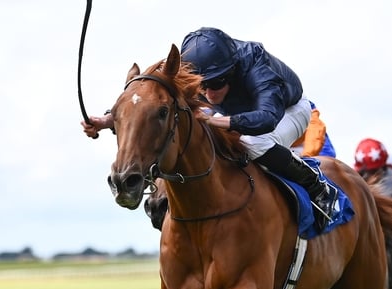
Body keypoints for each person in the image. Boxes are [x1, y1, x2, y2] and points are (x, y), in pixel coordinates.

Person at [83, 27, 338, 231]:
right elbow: (149, 100)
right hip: (235, 113)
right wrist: (107, 120)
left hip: (287, 111)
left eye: (217, 83)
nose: (209, 92)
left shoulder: (257, 65)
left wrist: (216, 121)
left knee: (252, 143)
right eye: (203, 85)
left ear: (232, 70)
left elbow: (266, 119)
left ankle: (317, 186)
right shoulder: (195, 70)